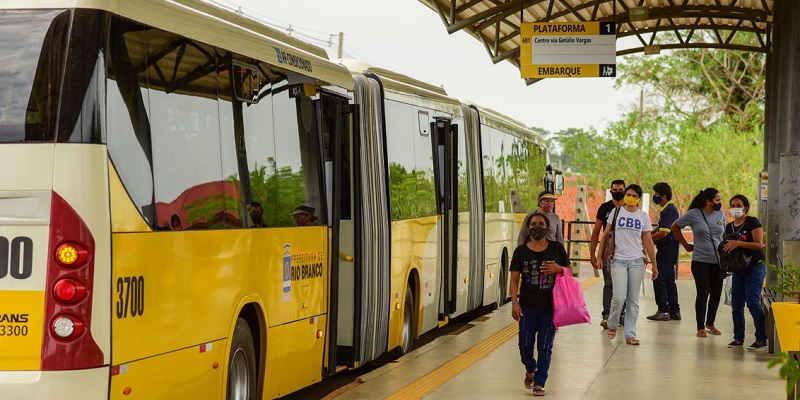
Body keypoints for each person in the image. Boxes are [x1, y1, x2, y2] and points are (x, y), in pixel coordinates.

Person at [510, 212, 571, 397]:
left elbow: (568, 270)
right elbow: (514, 280)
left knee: (545, 346)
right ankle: (530, 370)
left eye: (541, 224)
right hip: (527, 307)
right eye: (534, 223)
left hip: (550, 307)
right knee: (525, 346)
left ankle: (539, 382)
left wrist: (558, 269)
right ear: (528, 228)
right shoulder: (521, 251)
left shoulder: (556, 248)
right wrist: (514, 304)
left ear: (548, 227)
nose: (537, 226)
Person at [595, 184, 658, 345]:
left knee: (633, 300)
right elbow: (604, 236)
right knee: (619, 296)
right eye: (628, 194)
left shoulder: (643, 217)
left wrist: (654, 264)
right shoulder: (616, 213)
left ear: (639, 199)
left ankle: (630, 334)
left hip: (637, 261)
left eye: (634, 196)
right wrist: (598, 256)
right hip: (618, 260)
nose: (631, 198)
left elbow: (648, 242)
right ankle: (613, 323)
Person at [671, 188, 726, 338]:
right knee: (703, 292)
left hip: (718, 261)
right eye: (717, 200)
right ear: (708, 201)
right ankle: (700, 327)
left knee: (716, 294)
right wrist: (686, 245)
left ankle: (711, 323)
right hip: (700, 261)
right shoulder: (694, 214)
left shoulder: (721, 214)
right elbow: (675, 227)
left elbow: (724, 234)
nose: (719, 203)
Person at [723, 194, 767, 351]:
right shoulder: (729, 227)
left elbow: (758, 244)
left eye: (738, 205)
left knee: (753, 302)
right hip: (738, 268)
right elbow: (728, 246)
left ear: (745, 207)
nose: (735, 208)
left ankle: (761, 339)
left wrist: (738, 243)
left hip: (755, 266)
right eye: (733, 205)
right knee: (736, 304)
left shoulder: (753, 222)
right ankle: (738, 338)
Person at [590, 179, 627, 329]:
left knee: (624, 285)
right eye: (615, 190)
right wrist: (593, 255)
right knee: (609, 283)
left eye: (621, 190)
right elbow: (597, 231)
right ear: (610, 191)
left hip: (626, 252)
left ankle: (621, 314)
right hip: (608, 251)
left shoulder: (630, 208)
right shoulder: (605, 208)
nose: (618, 192)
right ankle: (607, 314)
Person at [647, 182, 682, 321]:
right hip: (670, 247)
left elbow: (664, 233)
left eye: (656, 194)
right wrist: (649, 233)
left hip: (668, 247)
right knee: (669, 279)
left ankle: (663, 309)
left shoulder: (669, 209)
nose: (654, 197)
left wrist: (648, 240)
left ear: (664, 196)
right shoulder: (667, 209)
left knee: (659, 277)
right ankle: (674, 310)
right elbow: (660, 228)